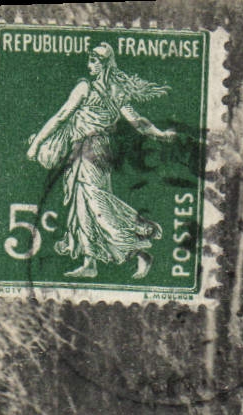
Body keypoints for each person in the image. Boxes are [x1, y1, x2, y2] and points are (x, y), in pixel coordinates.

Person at [26, 43, 176, 279]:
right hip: (90, 151)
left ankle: (138, 249)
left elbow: (62, 116)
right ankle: (90, 262)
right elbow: (136, 121)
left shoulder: (90, 88)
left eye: (94, 61)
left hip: (92, 151)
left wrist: (36, 145)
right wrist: (158, 133)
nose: (90, 65)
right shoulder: (110, 90)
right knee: (83, 206)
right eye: (89, 60)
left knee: (96, 204)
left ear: (106, 64)